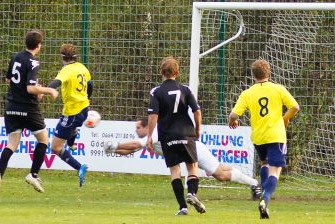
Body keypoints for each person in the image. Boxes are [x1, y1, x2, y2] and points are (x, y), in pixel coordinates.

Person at [103, 118, 262, 199]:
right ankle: (254, 183)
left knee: (220, 175)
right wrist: (114, 150)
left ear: (146, 127)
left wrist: (116, 144)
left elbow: (133, 144)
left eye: (138, 127)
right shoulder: (150, 138)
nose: (136, 130)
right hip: (188, 150)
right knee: (220, 170)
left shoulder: (155, 132)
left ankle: (255, 184)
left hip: (193, 150)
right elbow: (131, 150)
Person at [228, 59, 299, 219]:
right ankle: (265, 199)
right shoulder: (278, 89)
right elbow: (295, 107)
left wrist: (232, 121)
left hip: (259, 137)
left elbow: (234, 115)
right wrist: (284, 119)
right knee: (276, 170)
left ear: (253, 75)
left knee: (264, 164)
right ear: (269, 73)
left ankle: (261, 194)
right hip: (276, 135)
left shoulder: (248, 93)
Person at [0, 30, 59, 197]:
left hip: (11, 107)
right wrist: (48, 90)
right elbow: (30, 88)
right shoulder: (33, 62)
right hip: (28, 108)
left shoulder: (16, 57)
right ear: (39, 45)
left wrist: (37, 87)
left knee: (12, 144)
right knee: (43, 140)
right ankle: (33, 174)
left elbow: (10, 80)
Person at [146, 56, 205, 215]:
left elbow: (153, 116)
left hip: (167, 135)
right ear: (177, 72)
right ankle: (192, 193)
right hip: (186, 133)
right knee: (192, 167)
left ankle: (182, 207)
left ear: (161, 72)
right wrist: (198, 129)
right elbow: (197, 111)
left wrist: (149, 136)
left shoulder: (156, 91)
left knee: (174, 170)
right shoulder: (185, 89)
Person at [46, 44, 92, 187]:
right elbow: (90, 85)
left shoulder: (67, 70)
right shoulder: (82, 68)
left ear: (62, 57)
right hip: (84, 109)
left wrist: (45, 90)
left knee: (55, 147)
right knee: (73, 128)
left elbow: (57, 82)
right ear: (75, 56)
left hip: (71, 113)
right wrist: (86, 98)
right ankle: (71, 143)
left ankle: (79, 167)